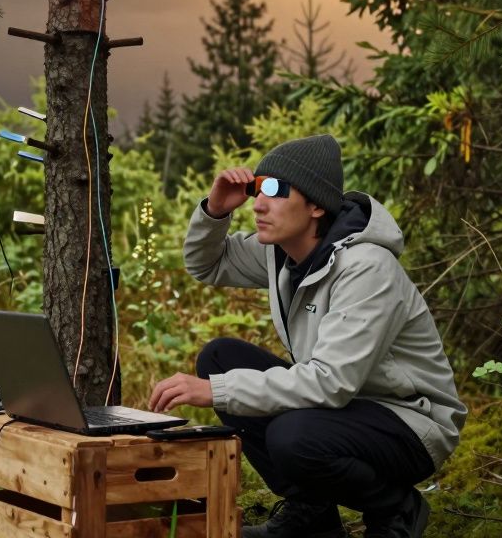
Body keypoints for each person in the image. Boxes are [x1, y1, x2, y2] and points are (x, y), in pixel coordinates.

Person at [148, 134, 466, 538]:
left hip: (410, 421)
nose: (258, 204)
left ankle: (394, 509)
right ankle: (312, 514)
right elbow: (206, 264)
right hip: (345, 406)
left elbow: (331, 381)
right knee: (220, 358)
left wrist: (217, 391)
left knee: (290, 435)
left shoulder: (366, 267)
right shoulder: (282, 252)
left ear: (317, 205)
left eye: (276, 190)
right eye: (257, 188)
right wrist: (215, 211)